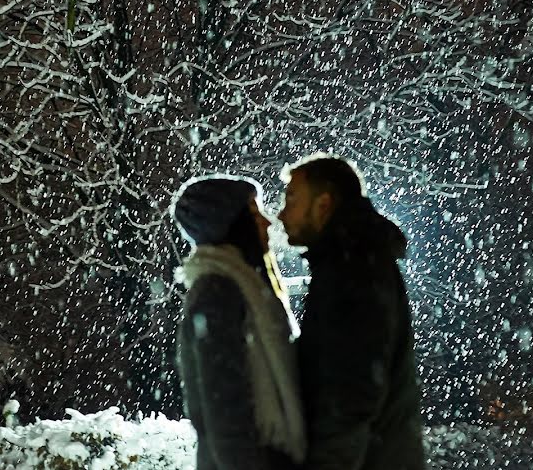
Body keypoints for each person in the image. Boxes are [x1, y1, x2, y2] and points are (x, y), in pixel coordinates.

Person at [277, 154, 425, 470]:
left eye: (291, 199)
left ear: (323, 204)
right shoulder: (352, 258)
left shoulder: (351, 267)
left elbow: (351, 392)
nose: (280, 214)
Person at [171, 174, 306, 470]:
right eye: (255, 213)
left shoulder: (244, 285)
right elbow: (223, 407)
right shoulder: (218, 291)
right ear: (231, 225)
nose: (267, 222)